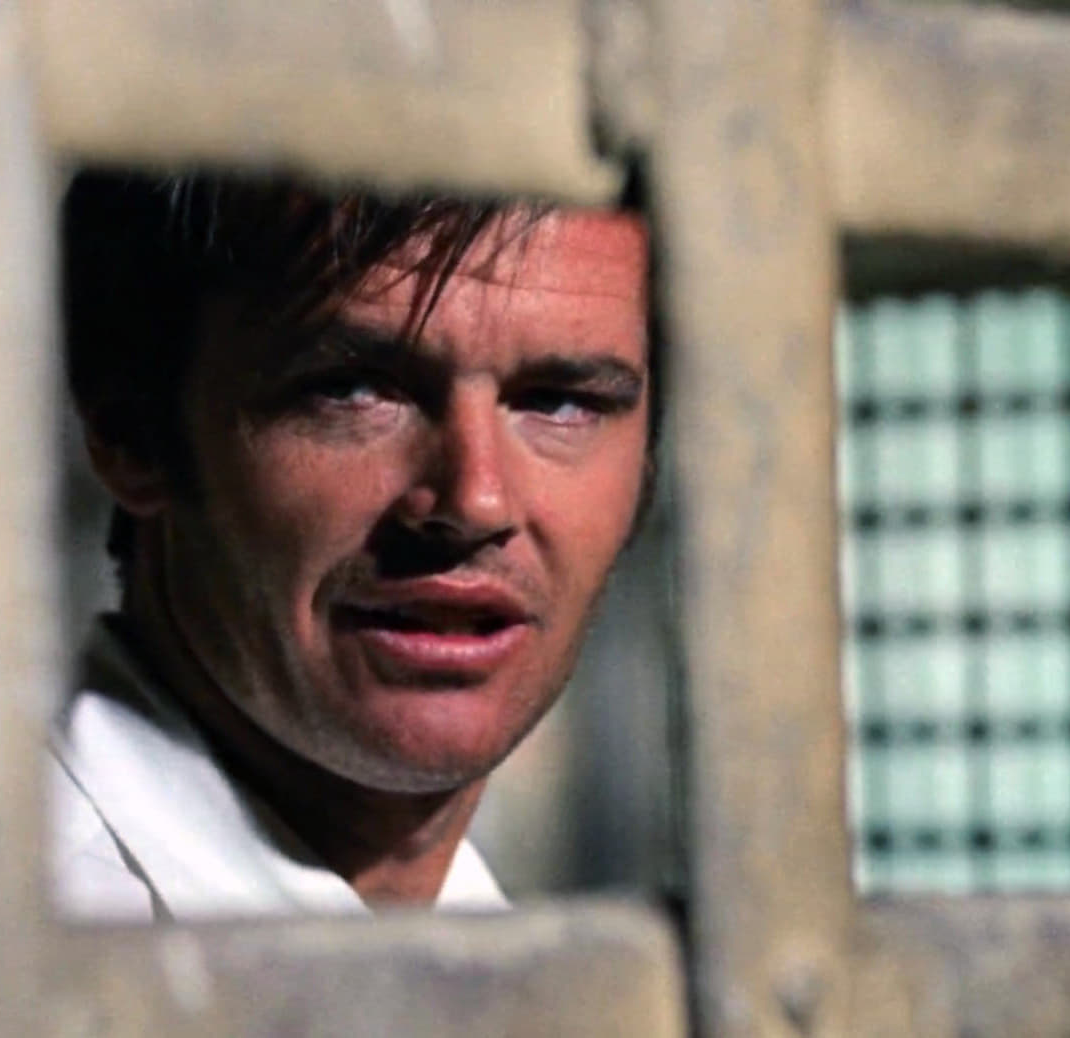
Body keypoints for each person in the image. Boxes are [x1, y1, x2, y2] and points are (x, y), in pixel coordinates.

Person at [49, 172, 654, 920]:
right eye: (355, 390)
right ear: (132, 435)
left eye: (561, 402)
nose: (475, 501)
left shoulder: (535, 958)